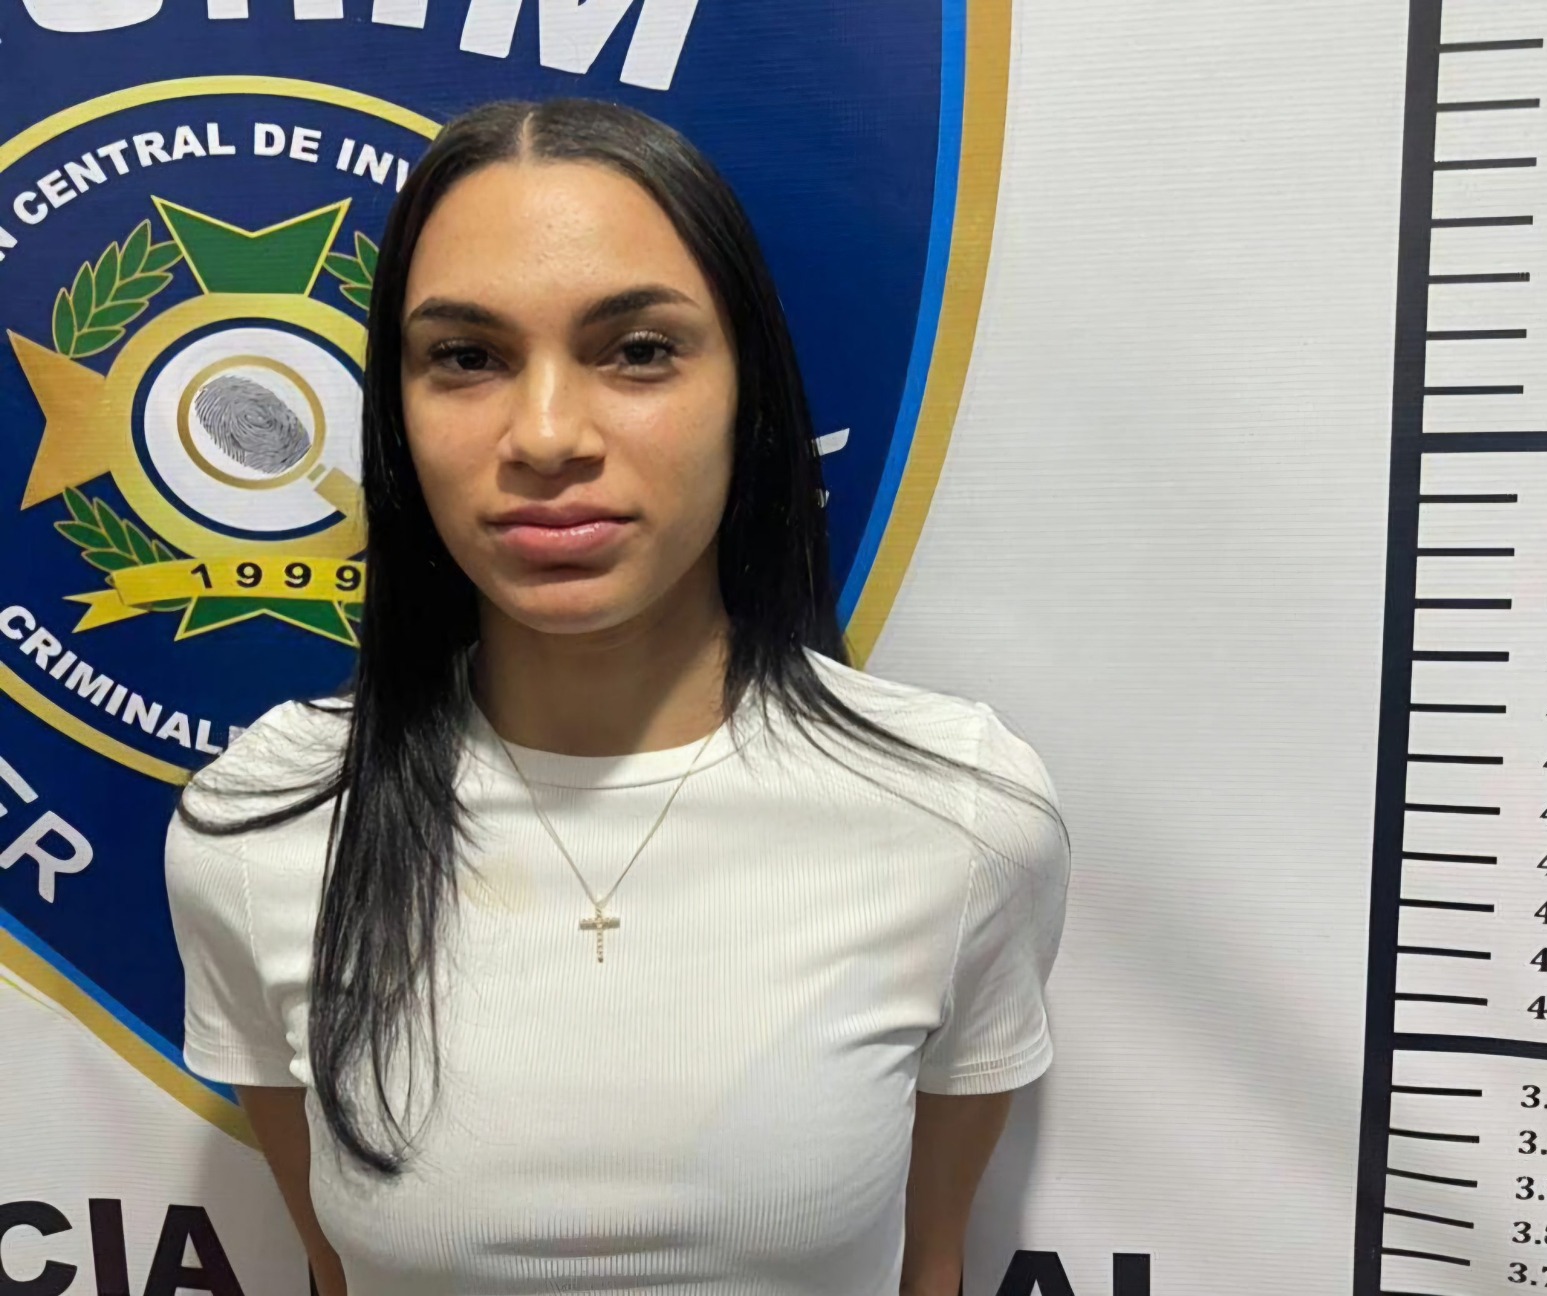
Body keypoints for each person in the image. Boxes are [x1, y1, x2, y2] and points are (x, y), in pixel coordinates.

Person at [164, 96, 1070, 1296]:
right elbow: (332, 1270)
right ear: (399, 413)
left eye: (639, 350)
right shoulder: (263, 828)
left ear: (748, 395)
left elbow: (932, 1265)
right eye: (466, 358)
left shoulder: (960, 811)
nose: (545, 436)